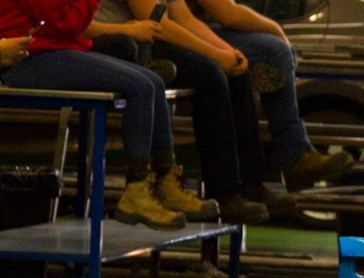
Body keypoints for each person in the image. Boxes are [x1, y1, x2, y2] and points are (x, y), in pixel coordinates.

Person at [0, 0, 214, 229]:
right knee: (141, 87)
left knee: (153, 83)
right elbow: (65, 23)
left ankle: (166, 179)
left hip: (58, 49)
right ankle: (136, 190)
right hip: (27, 59)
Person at [87, 0, 272, 224]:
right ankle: (221, 192)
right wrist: (215, 54)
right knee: (208, 74)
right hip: (124, 43)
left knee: (235, 73)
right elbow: (159, 24)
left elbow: (185, 19)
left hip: (143, 39)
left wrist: (227, 52)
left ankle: (252, 184)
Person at [185, 0, 351, 191]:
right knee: (271, 54)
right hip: (179, 33)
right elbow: (226, 14)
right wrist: (275, 29)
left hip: (188, 29)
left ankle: (250, 184)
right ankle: (291, 157)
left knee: (243, 71)